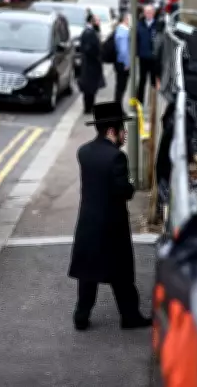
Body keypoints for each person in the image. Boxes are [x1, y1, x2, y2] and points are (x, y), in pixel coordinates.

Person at [68, 101, 152, 331]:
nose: (125, 134)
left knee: (88, 273)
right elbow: (123, 191)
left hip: (88, 221)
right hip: (112, 225)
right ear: (112, 131)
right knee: (122, 274)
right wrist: (131, 185)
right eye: (123, 129)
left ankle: (81, 316)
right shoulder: (117, 157)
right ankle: (130, 316)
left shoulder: (84, 152)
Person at [77, 11, 105, 114]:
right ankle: (88, 107)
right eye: (97, 21)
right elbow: (88, 49)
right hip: (90, 65)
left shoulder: (91, 32)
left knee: (91, 88)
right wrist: (96, 56)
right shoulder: (89, 33)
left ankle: (89, 106)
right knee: (89, 88)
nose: (99, 22)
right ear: (92, 22)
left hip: (91, 65)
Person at [136, 4, 159, 104]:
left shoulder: (158, 25)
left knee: (153, 82)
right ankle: (139, 103)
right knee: (142, 80)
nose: (148, 14)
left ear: (153, 13)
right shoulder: (139, 24)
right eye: (146, 12)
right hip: (143, 57)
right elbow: (136, 40)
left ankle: (153, 104)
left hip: (154, 58)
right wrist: (137, 53)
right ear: (144, 13)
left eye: (150, 12)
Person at [113, 12, 131, 105]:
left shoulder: (119, 29)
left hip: (119, 61)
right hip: (122, 63)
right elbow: (123, 50)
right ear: (126, 19)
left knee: (119, 86)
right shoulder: (124, 32)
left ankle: (117, 105)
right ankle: (118, 106)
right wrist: (127, 63)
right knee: (121, 86)